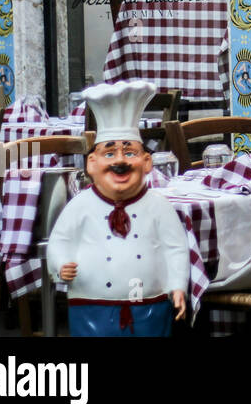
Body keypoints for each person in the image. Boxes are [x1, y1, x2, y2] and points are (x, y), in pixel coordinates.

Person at [47, 80, 188, 336]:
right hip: (90, 307)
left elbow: (176, 249)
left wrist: (178, 286)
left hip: (150, 307)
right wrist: (60, 266)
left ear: (147, 162)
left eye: (130, 152)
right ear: (91, 163)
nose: (120, 161)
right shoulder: (80, 205)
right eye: (109, 154)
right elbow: (59, 241)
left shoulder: (158, 206)